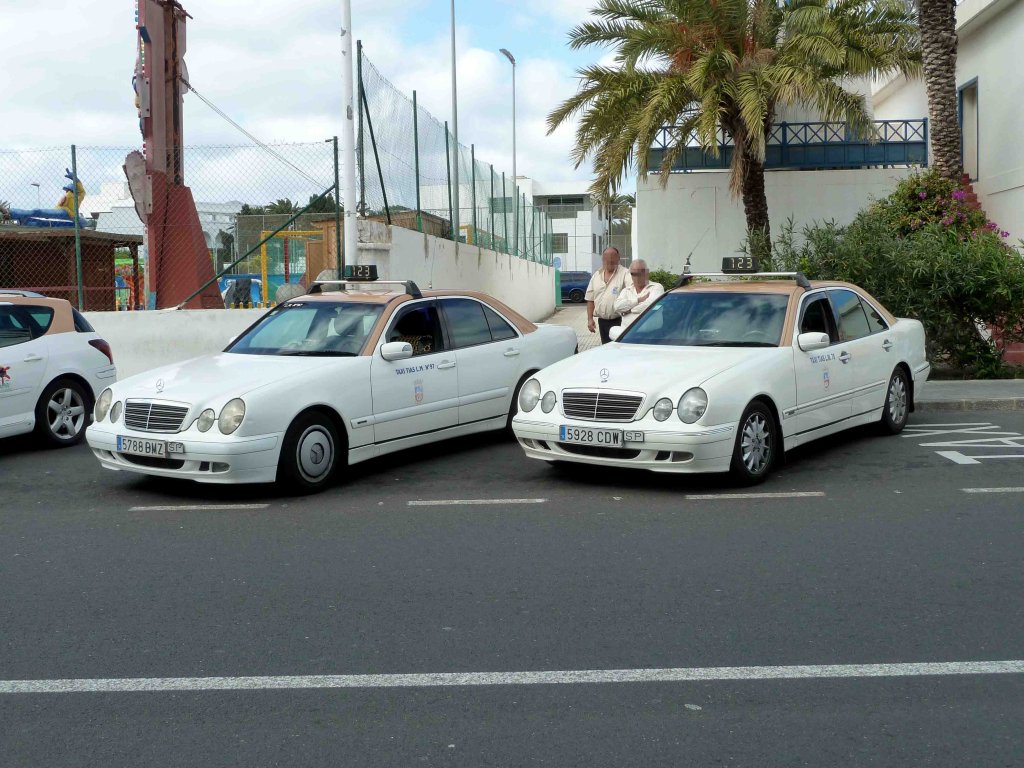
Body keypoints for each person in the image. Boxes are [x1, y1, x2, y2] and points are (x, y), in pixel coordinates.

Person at [585, 247, 631, 344]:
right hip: (602, 322)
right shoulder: (596, 275)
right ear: (603, 259)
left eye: (612, 259)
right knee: (606, 349)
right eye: (606, 259)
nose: (609, 262)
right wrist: (590, 319)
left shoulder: (625, 273)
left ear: (618, 258)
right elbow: (590, 298)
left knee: (619, 350)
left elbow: (633, 290)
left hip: (620, 321)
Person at [613, 259, 665, 329]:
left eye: (640, 272)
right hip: (626, 336)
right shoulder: (626, 291)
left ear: (647, 272)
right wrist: (638, 300)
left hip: (651, 336)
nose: (637, 277)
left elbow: (651, 307)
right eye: (634, 274)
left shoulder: (657, 287)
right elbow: (617, 307)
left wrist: (628, 311)